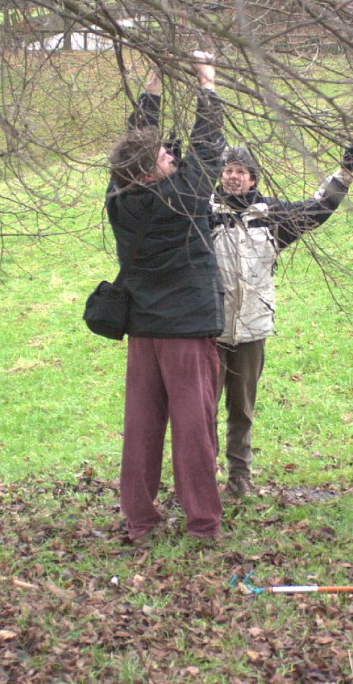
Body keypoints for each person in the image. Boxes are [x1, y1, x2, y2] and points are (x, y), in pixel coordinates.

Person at [106, 52, 227, 544]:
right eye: (162, 158)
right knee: (194, 429)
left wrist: (154, 84)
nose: (171, 158)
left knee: (141, 426)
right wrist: (206, 82)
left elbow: (134, 144)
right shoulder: (182, 196)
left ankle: (140, 519)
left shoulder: (118, 199)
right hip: (186, 332)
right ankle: (202, 523)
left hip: (144, 331)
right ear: (149, 174)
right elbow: (208, 148)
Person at [209, 143, 353, 499]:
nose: (233, 177)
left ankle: (239, 478)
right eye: (228, 170)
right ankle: (203, 477)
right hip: (210, 330)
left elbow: (317, 208)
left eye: (240, 171)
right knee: (204, 410)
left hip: (252, 328)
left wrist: (345, 173)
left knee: (242, 409)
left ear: (252, 179)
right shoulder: (203, 214)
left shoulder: (272, 217)